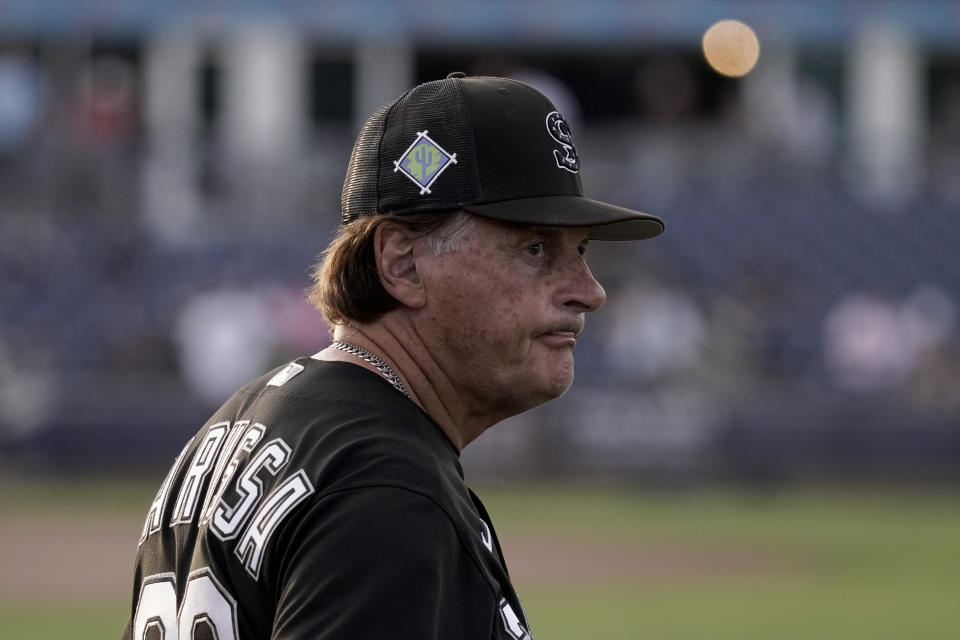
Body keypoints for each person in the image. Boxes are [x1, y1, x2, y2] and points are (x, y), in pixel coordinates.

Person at [123, 72, 663, 640]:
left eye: (579, 251)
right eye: (534, 249)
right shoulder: (386, 489)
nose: (590, 289)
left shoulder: (244, 419)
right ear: (403, 266)